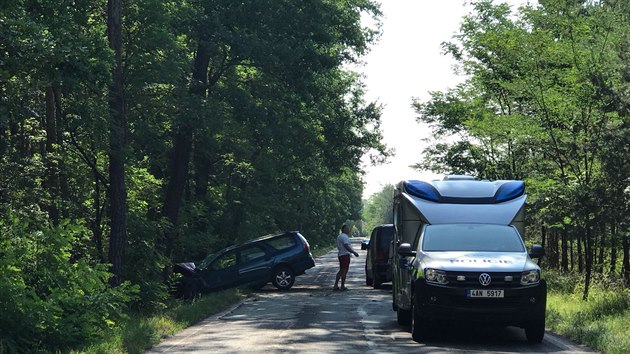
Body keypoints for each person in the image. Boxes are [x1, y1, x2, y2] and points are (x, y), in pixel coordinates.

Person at [334, 224, 359, 291]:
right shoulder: (344, 237)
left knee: (341, 270)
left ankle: (336, 285)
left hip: (341, 254)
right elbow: (346, 245)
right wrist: (354, 252)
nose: (348, 230)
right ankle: (342, 286)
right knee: (344, 271)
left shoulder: (340, 236)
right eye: (347, 228)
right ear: (344, 229)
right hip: (345, 255)